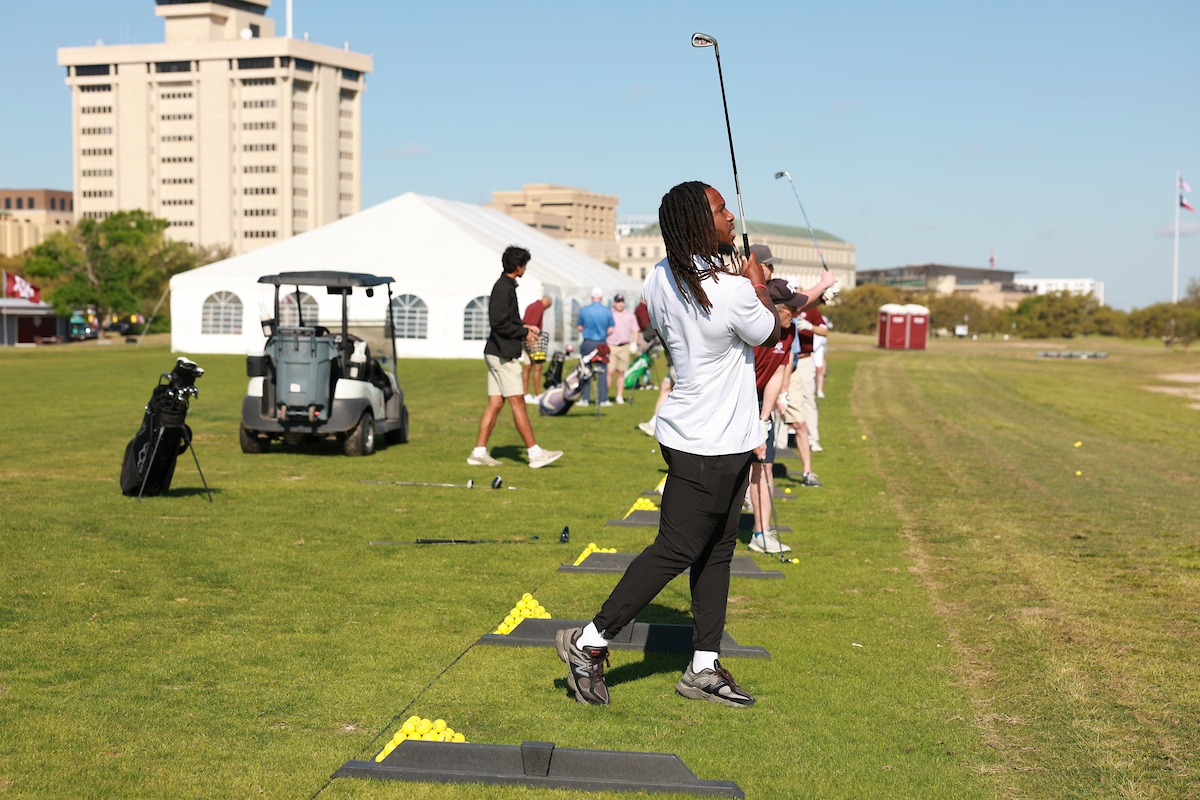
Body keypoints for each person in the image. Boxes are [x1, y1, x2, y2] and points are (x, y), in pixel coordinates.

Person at [556, 180, 837, 708]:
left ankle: (704, 667)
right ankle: (589, 642)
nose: (731, 217)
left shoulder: (660, 277)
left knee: (718, 551)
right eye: (721, 210)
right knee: (679, 548)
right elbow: (771, 333)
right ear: (695, 224)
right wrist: (756, 283)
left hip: (712, 433)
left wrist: (741, 280)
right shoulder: (730, 290)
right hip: (708, 440)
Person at [469, 246, 563, 469]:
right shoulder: (504, 288)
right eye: (525, 265)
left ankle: (478, 452)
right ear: (519, 266)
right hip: (502, 354)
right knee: (518, 402)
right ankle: (535, 453)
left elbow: (507, 319)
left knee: (495, 403)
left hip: (495, 352)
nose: (525, 269)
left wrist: (524, 325)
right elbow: (498, 322)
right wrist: (524, 332)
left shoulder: (506, 286)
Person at [748, 275, 796, 555]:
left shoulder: (789, 329)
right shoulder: (753, 327)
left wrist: (763, 420)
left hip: (760, 401)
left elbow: (777, 373)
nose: (798, 314)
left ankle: (761, 532)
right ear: (775, 307)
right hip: (735, 399)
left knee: (764, 467)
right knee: (733, 471)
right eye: (793, 308)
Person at [784, 302, 829, 472]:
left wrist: (810, 326)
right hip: (784, 358)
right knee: (781, 402)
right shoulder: (783, 307)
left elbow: (824, 331)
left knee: (808, 399)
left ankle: (813, 439)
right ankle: (780, 442)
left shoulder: (812, 309)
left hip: (804, 359)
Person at [575, 287, 614, 407]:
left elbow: (579, 327)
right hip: (601, 343)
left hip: (587, 343)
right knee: (602, 371)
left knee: (586, 370)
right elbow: (611, 329)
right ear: (601, 298)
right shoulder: (607, 311)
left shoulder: (584, 310)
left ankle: (585, 399)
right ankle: (603, 400)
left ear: (591, 297)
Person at [606, 293, 638, 405]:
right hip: (611, 346)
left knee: (621, 372)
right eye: (618, 302)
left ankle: (619, 396)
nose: (620, 304)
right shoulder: (609, 314)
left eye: (622, 302)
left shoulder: (630, 315)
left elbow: (635, 330)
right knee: (609, 371)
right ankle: (605, 396)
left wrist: (634, 343)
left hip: (624, 346)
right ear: (614, 303)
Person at [521, 295, 552, 402]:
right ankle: (538, 394)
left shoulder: (532, 306)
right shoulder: (539, 307)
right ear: (547, 302)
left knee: (527, 366)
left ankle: (525, 393)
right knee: (538, 366)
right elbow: (533, 323)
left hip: (525, 338)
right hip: (533, 339)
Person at [813, 313, 830, 398]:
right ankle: (812, 389)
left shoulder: (823, 320)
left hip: (818, 349)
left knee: (819, 370)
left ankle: (819, 390)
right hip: (809, 349)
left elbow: (824, 335)